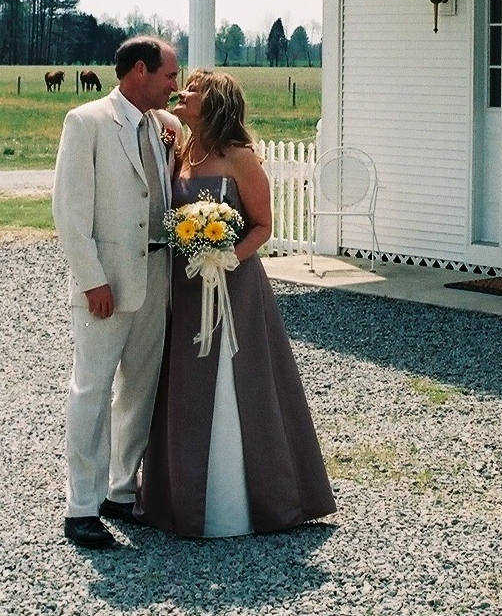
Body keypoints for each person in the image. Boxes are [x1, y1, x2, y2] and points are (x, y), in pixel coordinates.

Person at [137, 69, 336, 537]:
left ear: (216, 101)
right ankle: (180, 500)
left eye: (194, 90)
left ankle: (254, 501)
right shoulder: (180, 151)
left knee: (240, 380)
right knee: (184, 383)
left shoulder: (240, 157)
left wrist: (224, 257)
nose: (182, 92)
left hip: (235, 285)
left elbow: (262, 225)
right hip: (186, 287)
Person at [52, 35, 180, 549]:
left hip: (157, 276)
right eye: (170, 75)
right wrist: (92, 281)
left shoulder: (158, 124)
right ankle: (80, 507)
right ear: (140, 71)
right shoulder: (86, 122)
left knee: (139, 390)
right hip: (106, 284)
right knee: (91, 391)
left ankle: (121, 492)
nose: (176, 85)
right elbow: (70, 212)